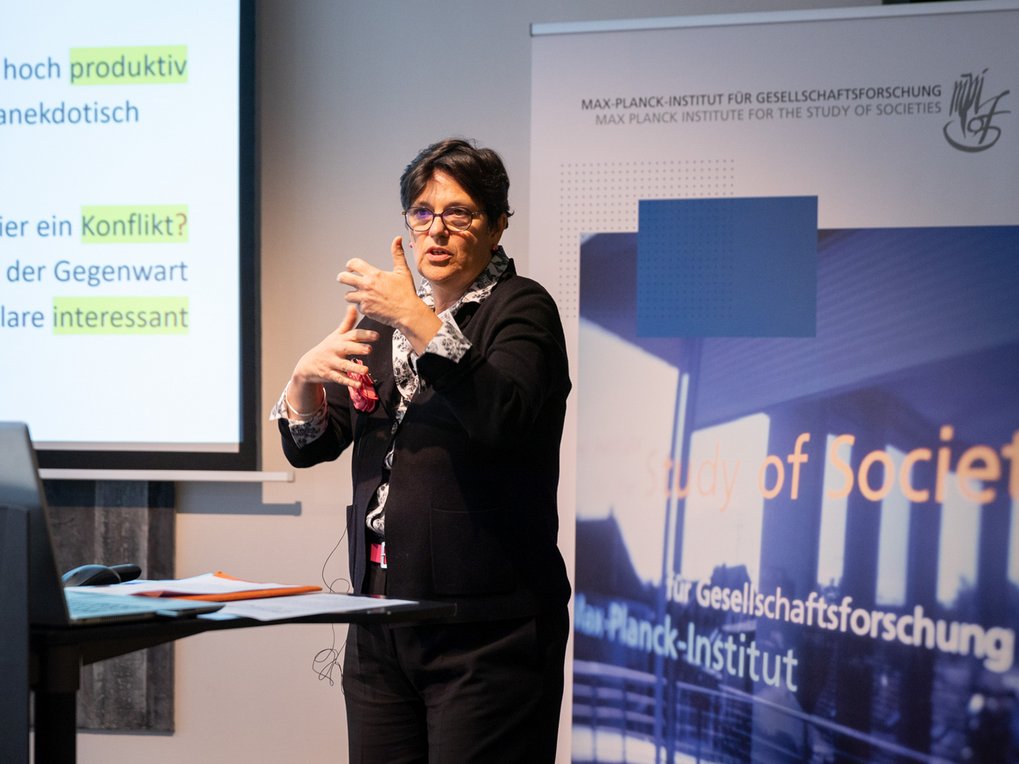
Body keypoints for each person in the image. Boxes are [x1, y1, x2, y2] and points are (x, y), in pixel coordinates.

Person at [271, 138, 572, 762]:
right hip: (382, 619)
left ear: (496, 225)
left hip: (486, 630)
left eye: (459, 213)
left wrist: (416, 318)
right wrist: (303, 383)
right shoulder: (389, 322)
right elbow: (314, 446)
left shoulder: (523, 308)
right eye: (421, 213)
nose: (436, 230)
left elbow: (502, 416)